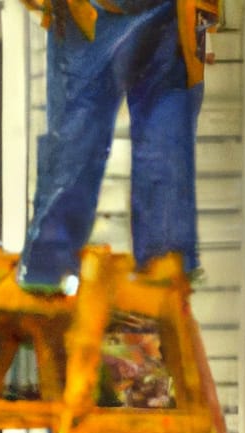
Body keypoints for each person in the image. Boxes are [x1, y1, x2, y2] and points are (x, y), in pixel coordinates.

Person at [18, 0, 218, 293]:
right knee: (163, 139)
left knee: (77, 135)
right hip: (175, 14)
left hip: (126, 14)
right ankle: (165, 262)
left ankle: (49, 268)